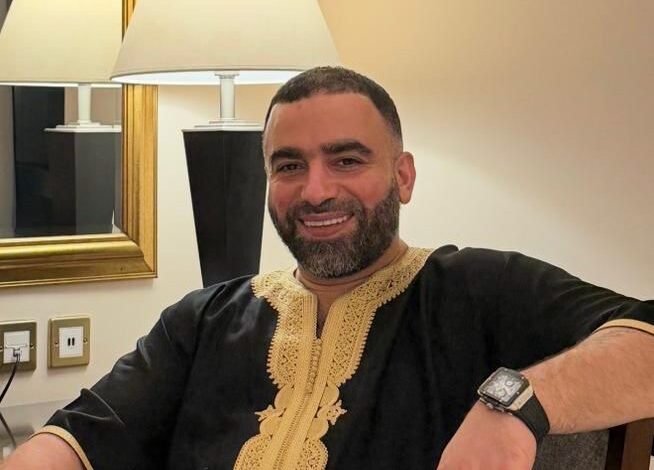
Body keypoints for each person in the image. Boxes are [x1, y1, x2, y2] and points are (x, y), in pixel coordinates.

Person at [3, 66, 653, 470]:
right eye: (289, 165)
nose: (315, 191)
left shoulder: (476, 289)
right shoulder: (203, 320)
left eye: (346, 160)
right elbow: (77, 438)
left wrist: (516, 405)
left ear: (403, 176)